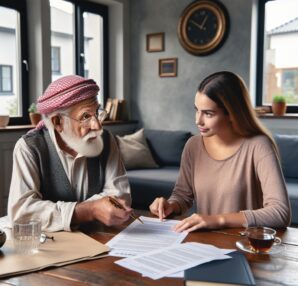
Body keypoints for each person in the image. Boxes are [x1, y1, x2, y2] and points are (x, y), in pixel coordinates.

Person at [150, 71, 291, 232]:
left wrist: (218, 220)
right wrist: (170, 205)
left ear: (231, 113)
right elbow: (182, 196)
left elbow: (280, 212)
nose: (198, 120)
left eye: (208, 113)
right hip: (203, 244)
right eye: (197, 110)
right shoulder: (193, 145)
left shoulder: (259, 145)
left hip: (245, 246)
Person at [8, 75, 132, 232]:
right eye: (86, 116)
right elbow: (22, 213)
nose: (97, 126)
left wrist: (62, 214)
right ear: (58, 122)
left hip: (101, 240)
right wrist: (90, 210)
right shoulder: (29, 148)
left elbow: (120, 196)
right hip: (51, 249)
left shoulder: (106, 141)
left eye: (97, 113)